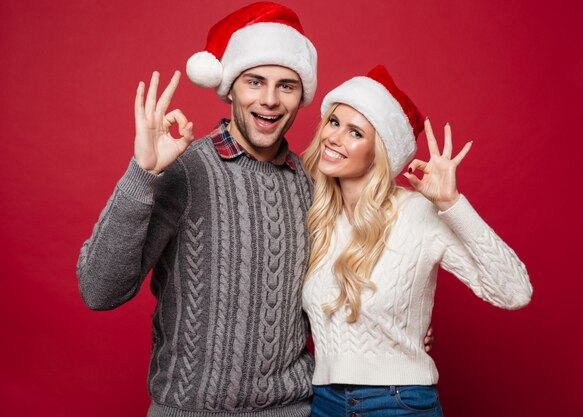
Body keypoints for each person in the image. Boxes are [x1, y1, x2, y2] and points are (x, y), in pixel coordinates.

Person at [77, 2, 434, 416]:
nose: (269, 100)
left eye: (286, 85)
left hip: (295, 409)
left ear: (302, 96)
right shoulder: (184, 170)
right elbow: (99, 291)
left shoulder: (316, 187)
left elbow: (361, 279)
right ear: (229, 87)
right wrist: (142, 174)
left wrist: (402, 335)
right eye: (254, 81)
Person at [301, 65, 533, 416]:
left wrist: (452, 204)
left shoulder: (416, 213)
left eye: (355, 132)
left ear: (379, 151)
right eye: (334, 123)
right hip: (323, 402)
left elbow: (514, 292)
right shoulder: (316, 214)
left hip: (397, 403)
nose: (335, 138)